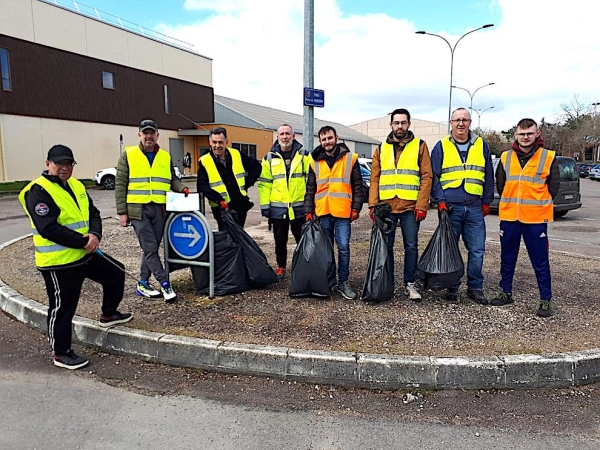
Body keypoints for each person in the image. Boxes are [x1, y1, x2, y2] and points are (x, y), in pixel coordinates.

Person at [18, 145, 133, 370]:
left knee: (115, 272)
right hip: (58, 263)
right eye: (59, 163)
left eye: (69, 164)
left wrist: (95, 235)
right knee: (63, 307)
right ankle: (61, 353)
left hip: (84, 253)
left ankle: (108, 314)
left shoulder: (77, 185)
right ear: (47, 164)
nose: (64, 168)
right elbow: (48, 228)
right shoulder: (36, 191)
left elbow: (93, 213)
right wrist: (84, 241)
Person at [115, 119, 189, 303]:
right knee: (149, 248)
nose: (149, 136)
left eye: (152, 133)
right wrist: (122, 212)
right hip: (137, 210)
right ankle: (165, 285)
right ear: (140, 135)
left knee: (152, 248)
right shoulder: (128, 155)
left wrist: (183, 189)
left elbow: (172, 179)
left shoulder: (165, 156)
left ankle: (142, 283)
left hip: (159, 208)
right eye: (145, 133)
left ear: (157, 135)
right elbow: (120, 184)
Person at [491, 118, 559, 317]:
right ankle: (505, 292)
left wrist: (538, 203)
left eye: (529, 133)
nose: (526, 137)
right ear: (516, 135)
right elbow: (501, 184)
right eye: (522, 134)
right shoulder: (506, 157)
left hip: (536, 219)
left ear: (537, 133)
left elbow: (553, 187)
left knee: (540, 260)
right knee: (507, 257)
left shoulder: (548, 156)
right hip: (510, 217)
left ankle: (545, 299)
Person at [430, 107, 494, 304]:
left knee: (477, 250)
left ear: (470, 123)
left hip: (475, 207)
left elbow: (489, 174)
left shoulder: (481, 145)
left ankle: (475, 287)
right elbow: (434, 177)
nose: (461, 123)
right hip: (451, 208)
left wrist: (486, 201)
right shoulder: (441, 146)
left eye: (464, 120)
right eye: (457, 120)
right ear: (451, 123)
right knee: (451, 249)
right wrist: (440, 201)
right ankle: (452, 287)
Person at [368, 108, 432, 301]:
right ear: (391, 125)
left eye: (403, 123)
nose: (400, 126)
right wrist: (372, 205)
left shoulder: (420, 146)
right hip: (387, 207)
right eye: (396, 123)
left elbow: (427, 176)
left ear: (409, 124)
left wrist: (422, 205)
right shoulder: (381, 148)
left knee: (411, 246)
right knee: (386, 247)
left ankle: (409, 284)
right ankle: (387, 283)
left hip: (409, 207)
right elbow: (375, 178)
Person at [304, 125, 364, 300]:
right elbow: (310, 188)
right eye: (323, 139)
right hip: (323, 212)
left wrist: (356, 208)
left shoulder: (350, 159)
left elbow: (358, 185)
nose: (327, 142)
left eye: (329, 138)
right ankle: (328, 281)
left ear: (336, 138)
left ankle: (343, 282)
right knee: (326, 250)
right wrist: (308, 210)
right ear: (320, 141)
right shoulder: (314, 161)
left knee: (343, 248)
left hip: (343, 212)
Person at [258, 124, 310, 280]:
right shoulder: (269, 158)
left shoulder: (304, 156)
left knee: (302, 239)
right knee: (280, 240)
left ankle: (303, 267)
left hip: (299, 208)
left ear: (293, 136)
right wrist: (265, 206)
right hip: (278, 209)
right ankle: (281, 267)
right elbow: (264, 183)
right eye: (282, 134)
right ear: (278, 137)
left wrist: (310, 206)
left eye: (288, 133)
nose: (285, 136)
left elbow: (310, 182)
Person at [196, 126, 261, 231]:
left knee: (239, 237)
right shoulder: (205, 161)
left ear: (226, 142)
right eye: (215, 142)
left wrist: (247, 183)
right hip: (221, 207)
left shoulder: (236, 154)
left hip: (240, 204)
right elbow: (202, 186)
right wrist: (218, 199)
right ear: (210, 142)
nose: (217, 145)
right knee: (227, 237)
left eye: (220, 142)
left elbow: (256, 167)